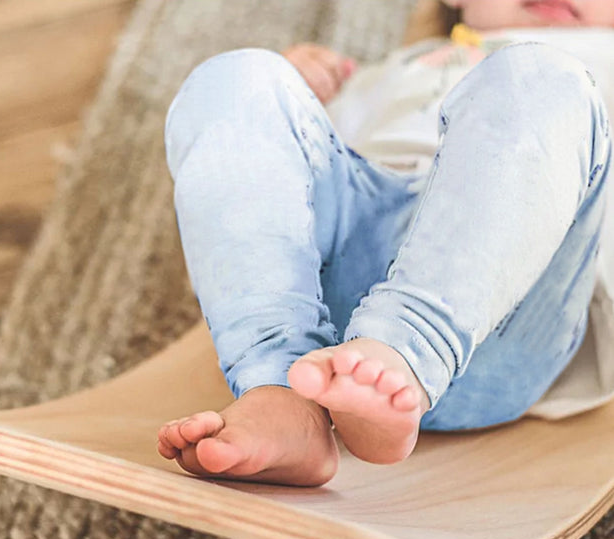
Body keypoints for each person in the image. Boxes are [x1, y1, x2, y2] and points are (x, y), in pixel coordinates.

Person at [157, 0, 614, 486]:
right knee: (237, 77)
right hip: (334, 314)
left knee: (540, 77)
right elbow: (258, 215)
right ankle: (278, 390)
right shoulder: (377, 75)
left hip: (506, 320)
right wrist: (290, 93)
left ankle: (404, 348)